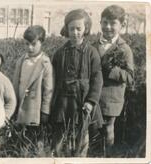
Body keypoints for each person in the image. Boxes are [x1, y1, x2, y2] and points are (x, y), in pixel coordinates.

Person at [50, 9, 103, 157]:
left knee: (82, 135)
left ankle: (80, 158)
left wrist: (91, 101)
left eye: (79, 29)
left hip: (82, 101)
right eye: (71, 28)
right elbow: (53, 78)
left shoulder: (91, 52)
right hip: (63, 102)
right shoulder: (59, 53)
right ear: (66, 29)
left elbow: (97, 78)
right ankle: (59, 156)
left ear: (85, 29)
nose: (75, 32)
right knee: (60, 134)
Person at [93, 5, 134, 156]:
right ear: (100, 22)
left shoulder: (124, 49)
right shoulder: (93, 46)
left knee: (108, 129)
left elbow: (130, 77)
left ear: (121, 25)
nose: (108, 27)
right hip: (93, 96)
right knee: (92, 128)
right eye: (105, 22)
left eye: (113, 23)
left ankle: (107, 156)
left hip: (112, 98)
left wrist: (111, 70)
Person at [12, 25, 53, 140]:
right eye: (27, 44)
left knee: (33, 137)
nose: (30, 48)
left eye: (33, 44)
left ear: (41, 42)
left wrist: (45, 111)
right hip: (20, 103)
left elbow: (48, 90)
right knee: (20, 136)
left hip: (34, 108)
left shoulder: (45, 63)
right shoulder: (21, 61)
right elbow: (16, 83)